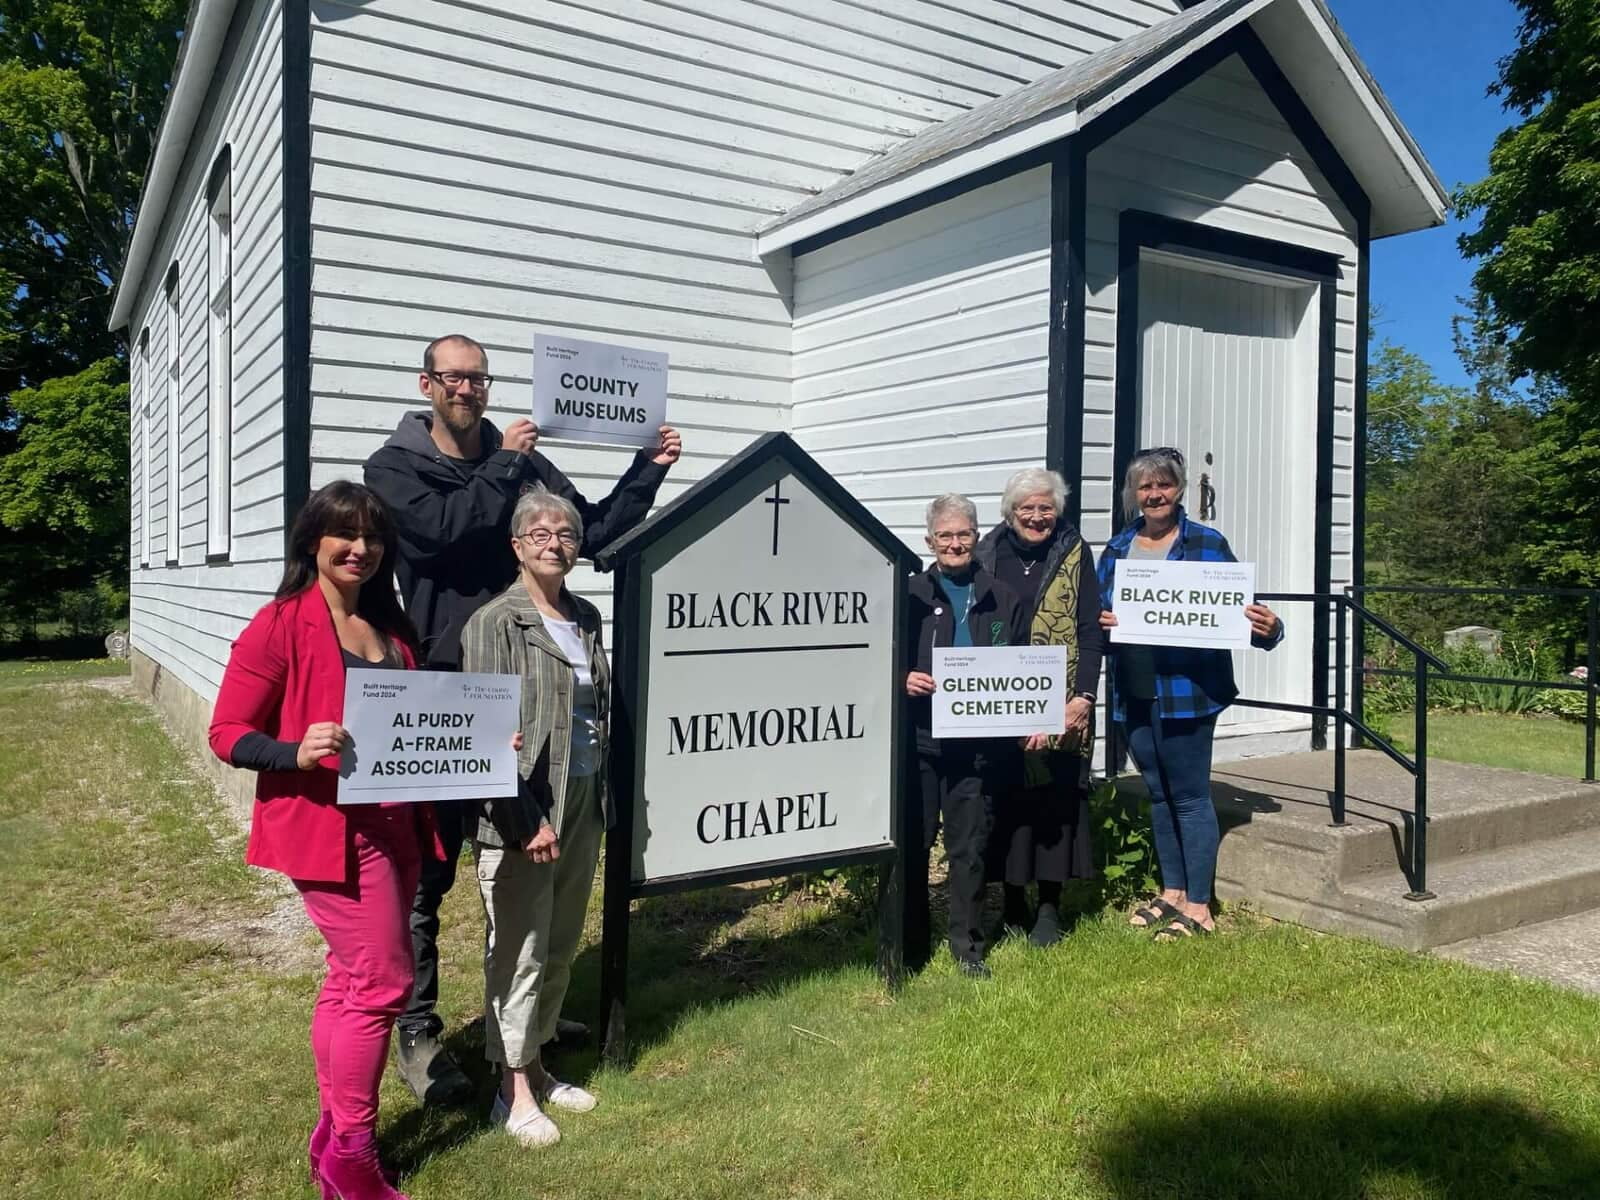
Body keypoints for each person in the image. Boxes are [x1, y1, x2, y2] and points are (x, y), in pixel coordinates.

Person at [364, 333, 681, 1104]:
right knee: (432, 870)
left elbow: (591, 531)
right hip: (446, 689)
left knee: (541, 860)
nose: (467, 389)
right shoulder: (395, 467)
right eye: (454, 378)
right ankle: (420, 1031)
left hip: (536, 686)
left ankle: (528, 1018)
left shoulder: (523, 462)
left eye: (478, 377)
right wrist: (507, 463)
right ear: (429, 384)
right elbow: (437, 536)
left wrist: (649, 470)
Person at [208, 482, 438, 1200]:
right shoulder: (280, 625)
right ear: (313, 540)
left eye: (373, 538)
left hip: (396, 823)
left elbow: (417, 727)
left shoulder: (391, 631)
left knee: (350, 981)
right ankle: (352, 1155)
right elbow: (226, 733)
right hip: (331, 831)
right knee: (383, 983)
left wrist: (482, 746)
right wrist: (292, 752)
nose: (361, 549)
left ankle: (332, 1131)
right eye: (345, 535)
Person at [453, 488, 612, 1148]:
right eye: (541, 532)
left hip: (583, 798)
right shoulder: (495, 624)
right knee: (517, 945)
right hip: (526, 806)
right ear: (517, 546)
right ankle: (511, 1088)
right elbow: (488, 735)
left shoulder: (587, 619)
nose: (556, 541)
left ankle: (539, 1065)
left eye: (567, 533)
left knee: (559, 937)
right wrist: (522, 819)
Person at [1096, 448, 1283, 940]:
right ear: (1133, 494)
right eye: (1145, 487)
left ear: (1179, 490)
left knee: (1191, 797)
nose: (1154, 494)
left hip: (1188, 692)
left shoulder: (1206, 543)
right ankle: (1172, 891)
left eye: (1164, 485)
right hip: (1134, 690)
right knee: (1159, 794)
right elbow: (1097, 614)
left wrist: (1269, 628)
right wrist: (1105, 621)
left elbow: (1242, 613)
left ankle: (1199, 905)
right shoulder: (1117, 549)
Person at [974, 468, 1104, 947]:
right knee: (1005, 800)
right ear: (1010, 512)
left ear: (1058, 511)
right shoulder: (986, 553)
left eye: (1045, 507)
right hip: (1001, 698)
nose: (1036, 516)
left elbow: (1091, 629)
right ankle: (1010, 905)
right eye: (1026, 507)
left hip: (1062, 696)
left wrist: (1083, 698)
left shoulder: (1074, 551)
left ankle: (1049, 908)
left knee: (1054, 801)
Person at [904, 493, 1029, 978]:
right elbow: (885, 655)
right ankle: (909, 942)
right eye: (945, 536)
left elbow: (1021, 667)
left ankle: (967, 946)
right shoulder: (910, 593)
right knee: (914, 843)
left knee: (969, 848)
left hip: (976, 746)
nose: (954, 543)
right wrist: (904, 679)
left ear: (977, 538)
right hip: (921, 739)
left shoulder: (1003, 597)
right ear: (929, 540)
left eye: (964, 534)